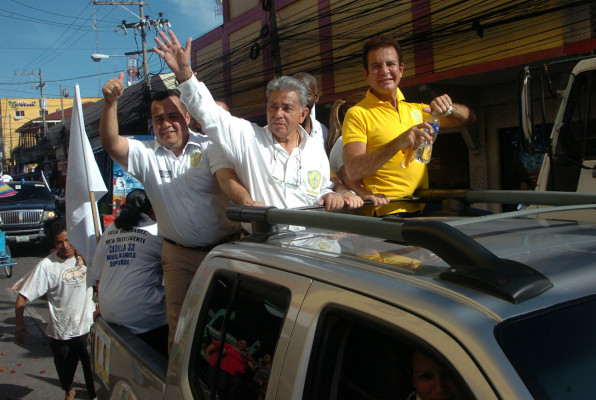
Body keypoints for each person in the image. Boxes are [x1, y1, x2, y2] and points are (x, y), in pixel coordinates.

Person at [100, 73, 241, 353]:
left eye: (173, 116)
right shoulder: (146, 155)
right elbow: (111, 142)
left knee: (229, 323)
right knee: (180, 328)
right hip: (177, 258)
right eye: (158, 119)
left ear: (187, 117)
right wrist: (109, 104)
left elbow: (228, 181)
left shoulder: (209, 146)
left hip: (224, 252)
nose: (166, 124)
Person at [153, 30, 353, 213]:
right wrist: (185, 76)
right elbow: (210, 114)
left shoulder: (314, 148)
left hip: (307, 244)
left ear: (303, 114)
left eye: (287, 108)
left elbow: (319, 190)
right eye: (273, 107)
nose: (278, 114)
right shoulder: (248, 138)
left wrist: (330, 195)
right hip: (265, 246)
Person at [342, 34, 476, 217]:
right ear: (366, 74)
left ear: (401, 69)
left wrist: (449, 108)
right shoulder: (358, 114)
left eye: (390, 64)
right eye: (376, 66)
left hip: (422, 205)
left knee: (484, 223)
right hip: (388, 212)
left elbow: (469, 118)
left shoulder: (418, 110)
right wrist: (399, 142)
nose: (384, 71)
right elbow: (353, 171)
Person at [14, 220, 96, 400]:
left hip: (88, 328)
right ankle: (69, 390)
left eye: (68, 240)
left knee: (93, 377)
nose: (65, 246)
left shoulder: (88, 257)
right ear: (54, 244)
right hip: (61, 333)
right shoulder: (47, 266)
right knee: (66, 378)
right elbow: (23, 296)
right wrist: (19, 325)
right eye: (60, 242)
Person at [89, 189, 169, 357]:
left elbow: (98, 278)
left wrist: (107, 306)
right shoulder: (156, 230)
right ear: (152, 208)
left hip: (109, 311)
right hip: (145, 319)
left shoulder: (110, 230)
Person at [293, 71, 329, 146]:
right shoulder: (282, 131)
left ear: (316, 97)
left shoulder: (322, 131)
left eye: (307, 94)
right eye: (297, 94)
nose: (302, 99)